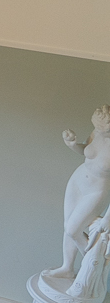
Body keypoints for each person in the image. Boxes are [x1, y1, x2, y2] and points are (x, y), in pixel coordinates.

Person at [46, 105, 110, 280]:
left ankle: (94, 267)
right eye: (97, 128)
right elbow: (86, 151)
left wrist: (108, 218)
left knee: (73, 230)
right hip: (77, 181)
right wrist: (72, 145)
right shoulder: (98, 131)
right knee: (67, 226)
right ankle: (67, 268)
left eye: (103, 130)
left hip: (96, 191)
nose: (98, 131)